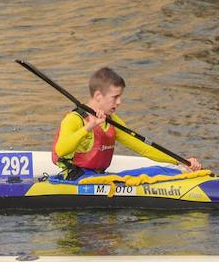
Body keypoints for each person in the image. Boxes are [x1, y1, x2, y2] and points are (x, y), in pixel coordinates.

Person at [52, 67, 204, 179]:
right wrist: (88, 128)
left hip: (100, 177)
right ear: (98, 95)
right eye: (115, 97)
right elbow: (61, 150)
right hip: (76, 179)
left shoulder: (112, 121)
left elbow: (143, 148)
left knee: (163, 171)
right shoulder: (74, 119)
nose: (119, 102)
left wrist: (180, 162)